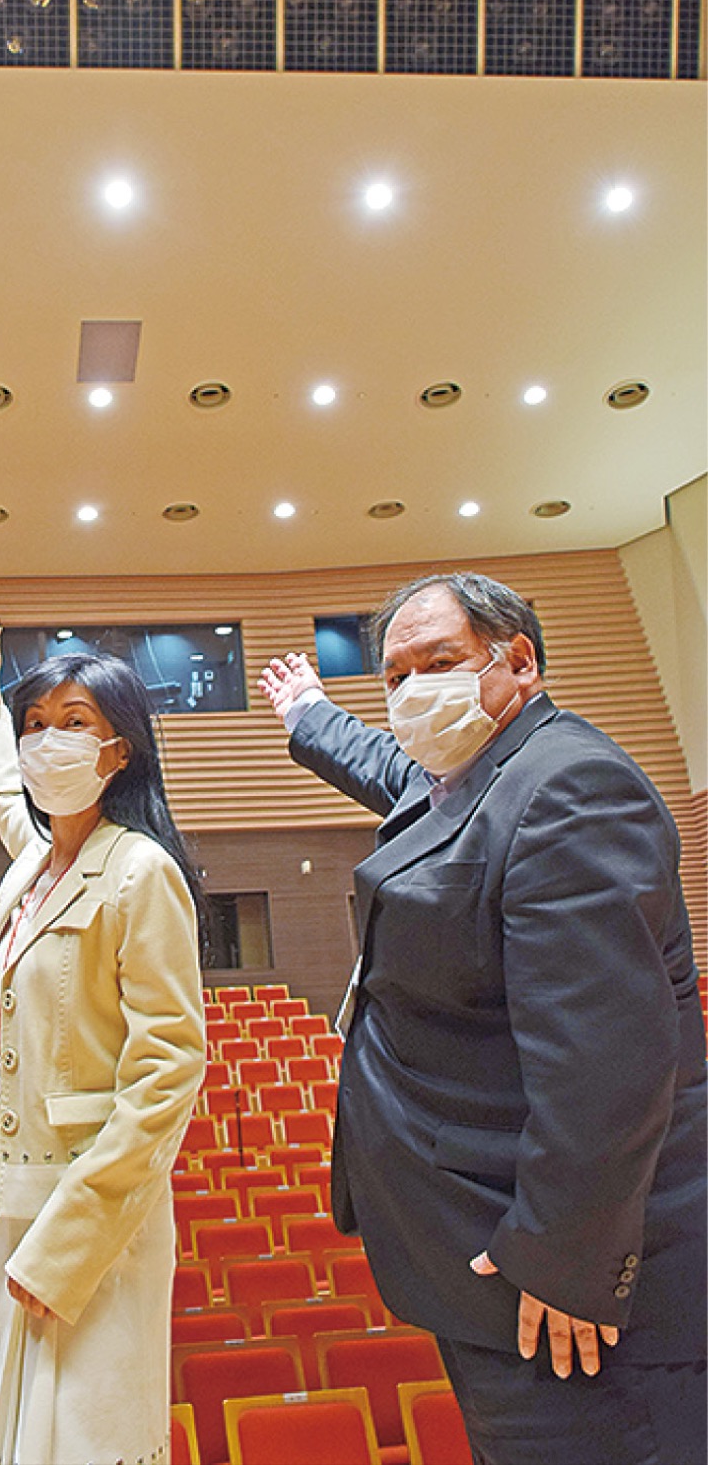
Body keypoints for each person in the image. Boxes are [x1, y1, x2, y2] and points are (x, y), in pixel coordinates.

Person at [259, 572, 707, 1465]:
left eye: (440, 663)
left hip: (568, 1301)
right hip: (491, 1264)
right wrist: (309, 713)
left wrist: (564, 1261)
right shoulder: (478, 777)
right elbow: (392, 770)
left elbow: (606, 1065)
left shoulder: (570, 786)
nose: (412, 691)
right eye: (395, 677)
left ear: (520, 662)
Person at [0, 617, 205, 1465]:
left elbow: (168, 1074)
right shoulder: (33, 865)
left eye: (74, 723)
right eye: (36, 725)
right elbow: (5, 797)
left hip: (87, 1216)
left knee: (80, 1438)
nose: (46, 742)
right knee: (10, 1434)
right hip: (8, 1196)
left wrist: (70, 1245)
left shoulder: (140, 871)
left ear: (119, 750)